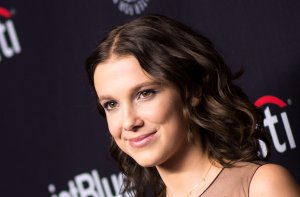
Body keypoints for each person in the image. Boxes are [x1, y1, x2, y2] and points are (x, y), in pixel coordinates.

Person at [85, 15, 299, 197]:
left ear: (192, 90)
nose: (129, 121)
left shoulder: (261, 186)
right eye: (111, 104)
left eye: (145, 93)